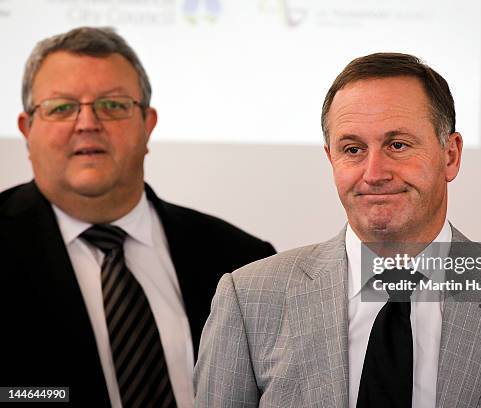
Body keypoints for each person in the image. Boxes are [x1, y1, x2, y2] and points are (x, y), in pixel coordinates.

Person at [194, 53, 481, 407]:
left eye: (398, 145)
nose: (374, 173)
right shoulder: (247, 301)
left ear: (451, 155)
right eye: (353, 149)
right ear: (331, 159)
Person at [0, 26, 275, 407]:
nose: (87, 123)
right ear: (27, 130)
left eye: (112, 105)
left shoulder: (241, 259)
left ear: (147, 124)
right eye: (61, 108)